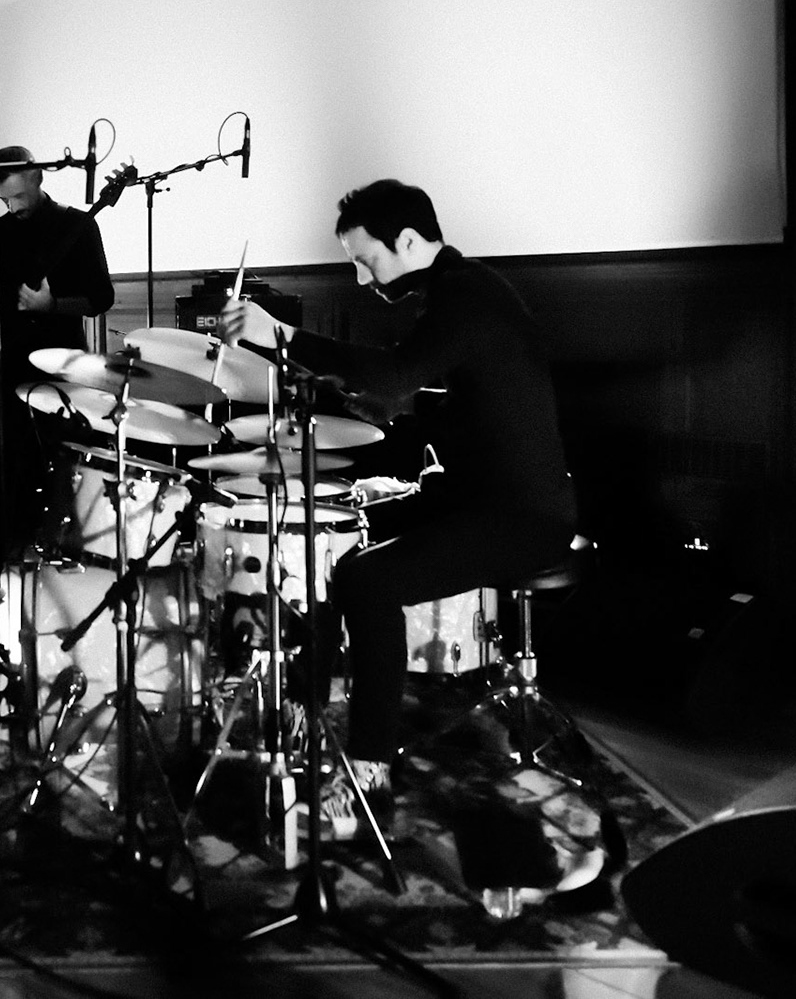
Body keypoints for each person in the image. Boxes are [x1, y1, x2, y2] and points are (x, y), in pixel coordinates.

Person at [221, 179, 576, 837]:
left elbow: (391, 375)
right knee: (344, 534)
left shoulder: (466, 293)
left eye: (367, 259)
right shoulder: (463, 292)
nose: (362, 277)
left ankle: (368, 777)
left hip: (523, 517)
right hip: (475, 494)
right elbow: (424, 392)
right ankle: (305, 712)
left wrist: (284, 337)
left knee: (368, 578)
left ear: (408, 240)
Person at [0, 147, 114, 616]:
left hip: (62, 369)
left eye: (18, 195)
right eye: (4, 198)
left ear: (37, 176)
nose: (13, 206)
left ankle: (71, 590)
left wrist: (51, 307)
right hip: (9, 364)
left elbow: (101, 297)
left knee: (64, 470)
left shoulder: (78, 224)